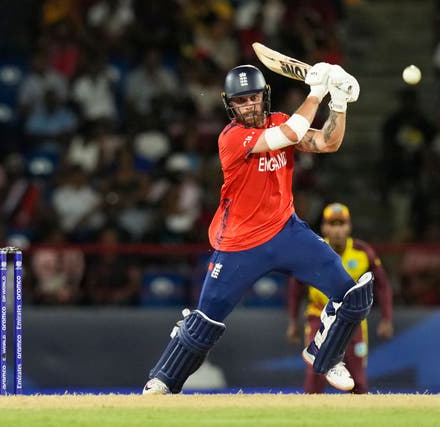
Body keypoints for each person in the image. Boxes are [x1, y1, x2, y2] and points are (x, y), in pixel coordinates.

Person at [142, 62, 373, 395]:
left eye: (253, 98)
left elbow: (327, 142)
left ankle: (326, 353)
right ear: (230, 105)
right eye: (241, 101)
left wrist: (338, 102)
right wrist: (317, 91)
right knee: (204, 323)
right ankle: (163, 378)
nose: (248, 105)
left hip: (286, 232)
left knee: (352, 295)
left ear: (264, 97)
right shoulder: (232, 137)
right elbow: (291, 134)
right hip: (240, 243)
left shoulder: (280, 119)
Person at [286, 203, 394, 394]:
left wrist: (387, 318)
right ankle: (307, 420)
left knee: (358, 379)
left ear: (349, 226)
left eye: (341, 224)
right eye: (332, 224)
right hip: (318, 318)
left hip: (354, 322)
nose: (337, 230)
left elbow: (382, 285)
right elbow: (296, 286)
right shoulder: (315, 250)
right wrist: (293, 320)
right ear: (324, 227)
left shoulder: (363, 252)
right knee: (315, 374)